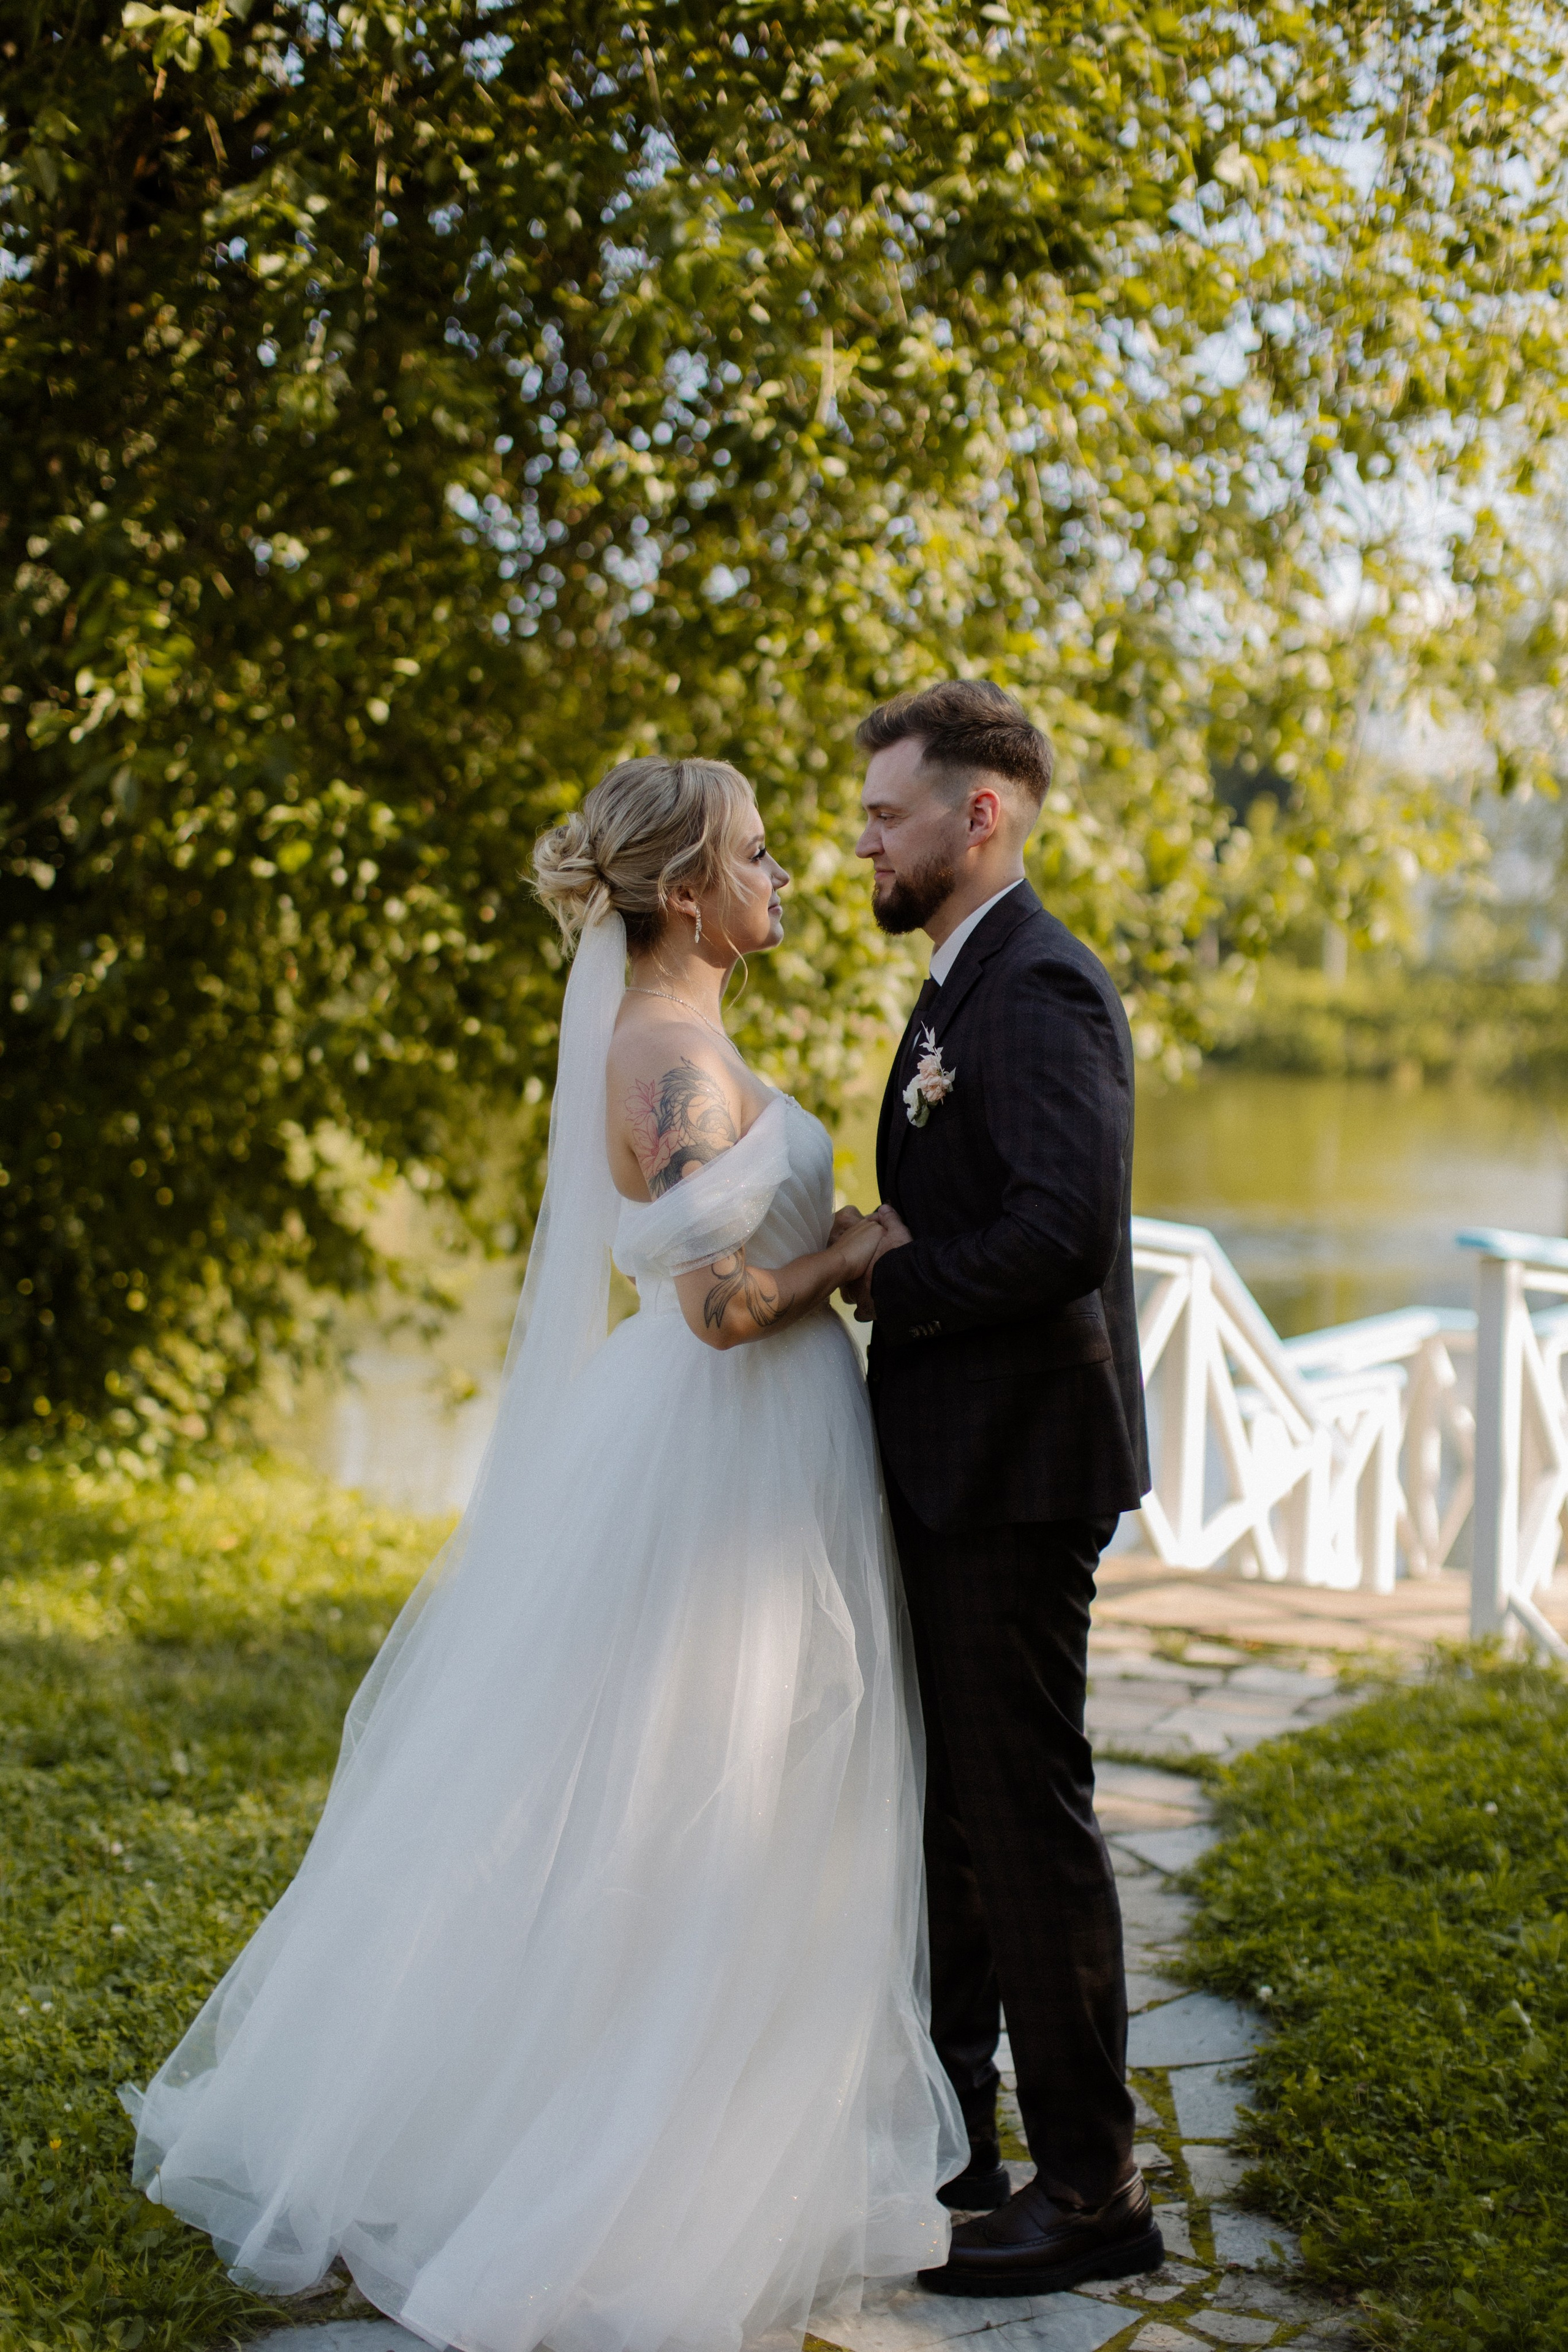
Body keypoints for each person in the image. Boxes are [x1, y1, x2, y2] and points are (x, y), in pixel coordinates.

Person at [124, 756, 966, 2352]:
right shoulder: (673, 1065)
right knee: (696, 1789)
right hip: (721, 1453)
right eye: (759, 859)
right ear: (684, 897)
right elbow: (720, 1310)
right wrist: (851, 1247)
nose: (783, 879)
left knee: (716, 1789)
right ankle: (613, 2171)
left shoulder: (681, 1041)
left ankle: (707, 2128)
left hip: (746, 1449)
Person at [841, 679, 1161, 2296]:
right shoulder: (960, 982)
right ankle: (955, 2137)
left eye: (886, 816)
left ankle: (1095, 2188)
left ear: (981, 816)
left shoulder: (1039, 990)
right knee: (958, 1818)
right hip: (961, 1461)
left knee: (1026, 1825)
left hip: (1018, 1471)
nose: (862, 846)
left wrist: (883, 1278)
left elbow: (1055, 1239)